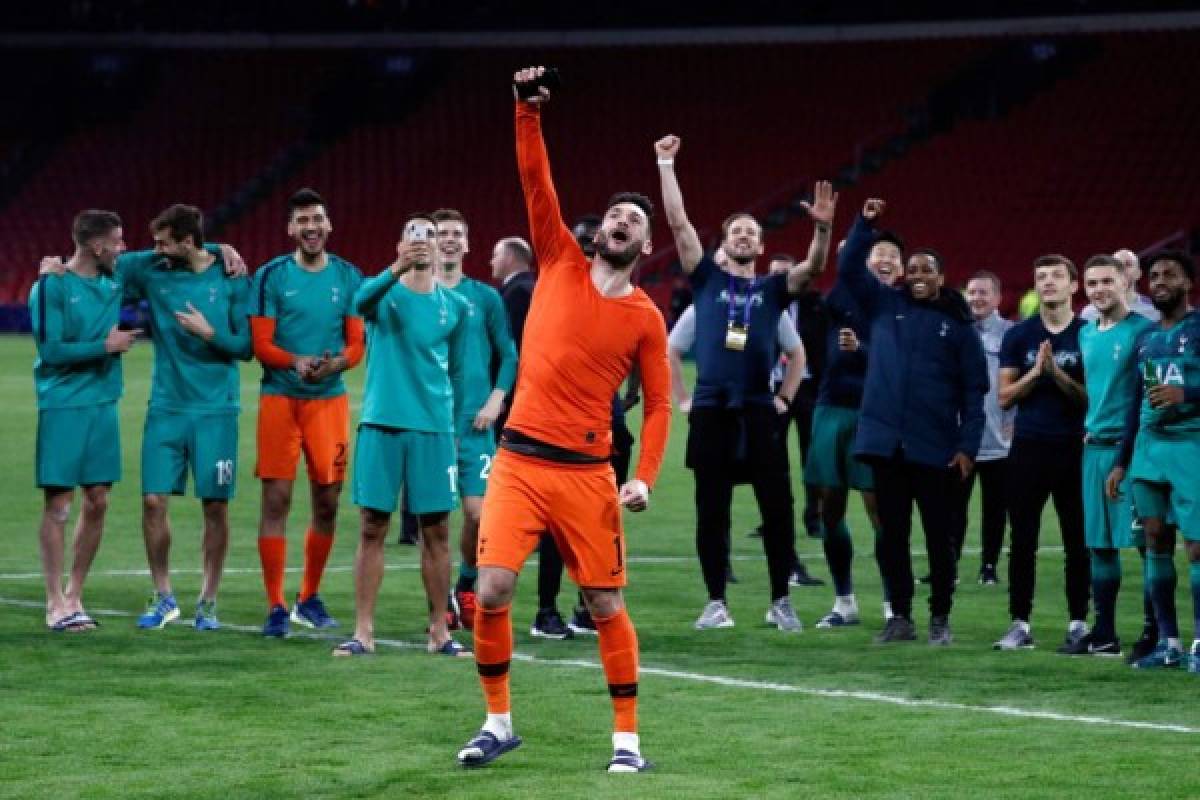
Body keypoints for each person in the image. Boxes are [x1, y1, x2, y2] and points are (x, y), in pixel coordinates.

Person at [456, 67, 670, 773]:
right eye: (615, 214)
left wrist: (641, 477)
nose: (620, 221)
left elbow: (662, 402)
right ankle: (496, 722)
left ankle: (628, 742)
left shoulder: (646, 317)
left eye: (635, 221)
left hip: (586, 474)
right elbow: (535, 182)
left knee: (604, 601)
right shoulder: (557, 258)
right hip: (518, 459)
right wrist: (526, 110)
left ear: (645, 244)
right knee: (491, 588)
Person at [655, 132, 835, 633]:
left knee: (777, 509)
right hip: (712, 408)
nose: (743, 236)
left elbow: (815, 268)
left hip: (759, 408)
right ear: (724, 242)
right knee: (711, 510)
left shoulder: (773, 290)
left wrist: (821, 231)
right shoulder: (706, 282)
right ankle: (716, 602)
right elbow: (678, 222)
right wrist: (665, 164)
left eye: (751, 232)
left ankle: (781, 600)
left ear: (760, 245)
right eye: (736, 230)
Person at [840, 199, 988, 646]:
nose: (919, 276)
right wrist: (865, 225)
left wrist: (967, 447)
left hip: (936, 448)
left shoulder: (959, 326)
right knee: (892, 537)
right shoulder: (884, 305)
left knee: (939, 538)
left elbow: (974, 395)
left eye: (928, 270)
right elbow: (849, 269)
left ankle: (940, 616)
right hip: (887, 445)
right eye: (914, 269)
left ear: (942, 278)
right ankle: (899, 616)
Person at [334, 213, 470, 658]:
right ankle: (363, 631)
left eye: (429, 235)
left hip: (433, 427)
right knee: (373, 525)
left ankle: (439, 631)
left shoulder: (455, 307)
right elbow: (358, 301)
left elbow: (459, 373)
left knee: (437, 531)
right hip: (382, 423)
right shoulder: (385, 297)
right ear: (400, 243)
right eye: (413, 233)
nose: (422, 241)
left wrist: (456, 428)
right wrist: (395, 268)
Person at [126, 205, 252, 631]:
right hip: (166, 406)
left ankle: (208, 600)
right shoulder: (152, 270)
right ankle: (163, 596)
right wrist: (59, 267)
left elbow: (245, 346)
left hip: (216, 410)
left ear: (186, 241)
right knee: (152, 500)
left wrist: (208, 334)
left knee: (214, 505)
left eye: (163, 241)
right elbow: (102, 261)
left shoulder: (231, 278)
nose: (155, 248)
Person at [250, 188, 365, 637]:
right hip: (280, 399)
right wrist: (295, 362)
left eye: (317, 219)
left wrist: (337, 363)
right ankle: (276, 604)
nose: (311, 227)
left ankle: (308, 597)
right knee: (275, 500)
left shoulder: (349, 276)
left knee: (328, 501)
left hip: (329, 402)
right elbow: (262, 344)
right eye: (302, 221)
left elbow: (357, 343)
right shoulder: (271, 276)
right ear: (291, 229)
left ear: (329, 224)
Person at [31, 210, 138, 632]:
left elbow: (164, 255)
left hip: (103, 403)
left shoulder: (115, 281)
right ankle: (54, 602)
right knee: (59, 506)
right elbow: (52, 351)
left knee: (99, 500)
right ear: (98, 246)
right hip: (63, 405)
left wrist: (223, 248)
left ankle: (75, 594)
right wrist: (105, 346)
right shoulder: (51, 286)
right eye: (118, 240)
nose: (123, 248)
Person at [668, 301, 810, 589]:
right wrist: (682, 398)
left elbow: (797, 353)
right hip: (714, 416)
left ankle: (783, 588)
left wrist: (784, 397)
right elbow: (670, 349)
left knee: (777, 505)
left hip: (758, 414)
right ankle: (718, 589)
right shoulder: (701, 308)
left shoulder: (769, 307)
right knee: (713, 506)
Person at [808, 228, 906, 628]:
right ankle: (844, 600)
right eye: (876, 253)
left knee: (879, 510)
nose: (884, 260)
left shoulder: (902, 306)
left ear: (901, 269)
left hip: (876, 413)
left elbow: (899, 362)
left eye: (891, 256)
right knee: (829, 508)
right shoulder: (841, 297)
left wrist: (861, 350)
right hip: (833, 408)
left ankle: (890, 601)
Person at [994, 255, 1090, 652]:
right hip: (1028, 447)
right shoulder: (1018, 336)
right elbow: (1003, 398)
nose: (1047, 283)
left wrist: (1057, 374)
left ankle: (1079, 622)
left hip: (1073, 447)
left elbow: (1091, 400)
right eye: (1041, 278)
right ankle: (1020, 623)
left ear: (1073, 285)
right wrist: (1036, 372)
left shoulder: (1088, 334)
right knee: (1023, 540)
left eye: (1056, 277)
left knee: (1077, 539)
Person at [433, 208, 518, 633]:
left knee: (479, 514)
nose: (449, 239)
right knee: (435, 522)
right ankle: (440, 606)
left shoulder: (485, 297)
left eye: (455, 234)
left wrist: (495, 402)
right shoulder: (418, 294)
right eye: (441, 233)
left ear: (467, 244)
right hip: (431, 424)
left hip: (475, 425)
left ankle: (464, 585)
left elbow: (510, 354)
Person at [1068, 255, 1156, 656]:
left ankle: (1156, 630)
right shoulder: (1086, 333)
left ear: (1125, 284)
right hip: (1093, 450)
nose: (1099, 290)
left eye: (1107, 281)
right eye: (1092, 283)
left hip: (1132, 452)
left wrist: (1127, 452)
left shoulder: (1144, 332)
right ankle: (1104, 633)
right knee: (1100, 545)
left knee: (1148, 543)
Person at [488, 233, 574, 639]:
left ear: (510, 258)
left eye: (495, 255)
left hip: (522, 416)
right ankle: (555, 609)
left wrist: (496, 399)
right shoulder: (544, 290)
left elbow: (506, 352)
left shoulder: (516, 293)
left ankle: (471, 592)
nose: (491, 262)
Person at [1120, 251, 1200, 671]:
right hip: (1149, 449)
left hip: (1192, 446)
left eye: (1170, 274)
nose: (1160, 280)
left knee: (1197, 546)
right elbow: (1135, 403)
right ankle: (1168, 642)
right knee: (1155, 539)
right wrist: (1120, 461)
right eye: (1154, 275)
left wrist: (1187, 393)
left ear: (1188, 283)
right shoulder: (1146, 338)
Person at [951, 270, 1015, 586]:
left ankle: (988, 566)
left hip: (998, 436)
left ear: (998, 298)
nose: (976, 298)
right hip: (960, 436)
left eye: (983, 292)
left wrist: (1013, 422)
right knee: (953, 506)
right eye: (972, 292)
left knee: (995, 508)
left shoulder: (1010, 334)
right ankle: (949, 564)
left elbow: (1018, 383)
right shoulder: (956, 330)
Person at [1080, 248, 1160, 323]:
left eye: (1128, 264)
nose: (1122, 268)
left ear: (1138, 274)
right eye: (1117, 264)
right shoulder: (1089, 313)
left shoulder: (1154, 310)